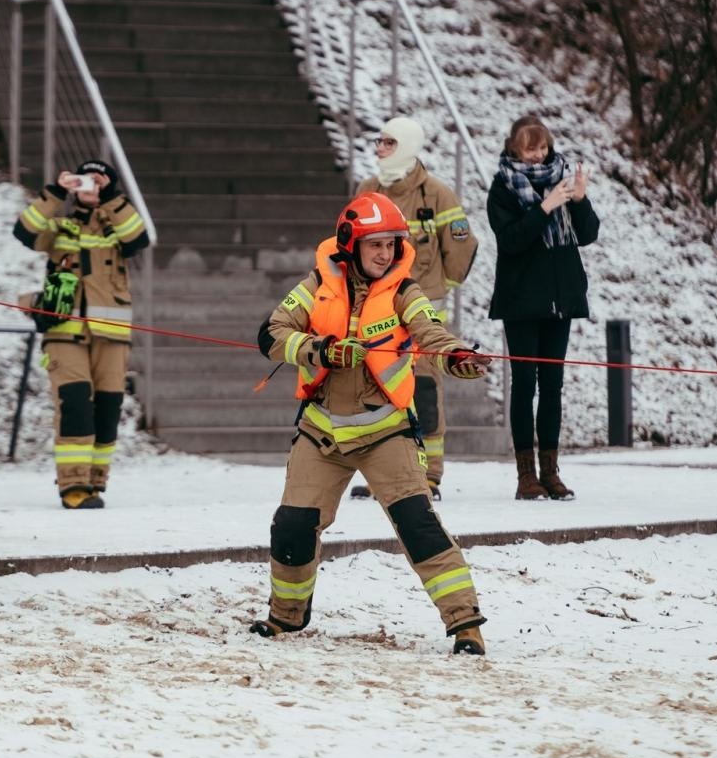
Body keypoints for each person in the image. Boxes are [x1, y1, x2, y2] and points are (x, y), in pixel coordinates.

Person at [253, 193, 492, 655]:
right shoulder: (317, 284)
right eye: (375, 245)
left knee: (418, 525)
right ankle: (285, 616)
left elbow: (432, 336)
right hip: (322, 433)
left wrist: (457, 358)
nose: (386, 253)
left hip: (387, 432)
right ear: (350, 245)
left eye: (392, 244)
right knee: (291, 527)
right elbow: (271, 334)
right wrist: (320, 349)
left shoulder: (407, 291)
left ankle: (466, 624)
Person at [350, 116, 478, 499]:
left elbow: (461, 249)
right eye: (379, 141)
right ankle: (382, 474)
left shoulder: (436, 195)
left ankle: (428, 474)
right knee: (375, 392)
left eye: (388, 143)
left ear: (406, 145)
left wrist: (436, 290)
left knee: (422, 392)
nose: (379, 149)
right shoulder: (367, 191)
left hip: (424, 320)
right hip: (376, 317)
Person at [13, 160, 149, 508]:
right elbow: (25, 231)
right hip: (64, 332)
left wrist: (110, 196)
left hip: (112, 333)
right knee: (74, 404)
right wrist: (57, 192)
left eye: (98, 180)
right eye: (85, 180)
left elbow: (138, 238)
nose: (90, 186)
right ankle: (73, 485)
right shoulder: (60, 225)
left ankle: (95, 482)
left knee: (107, 408)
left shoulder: (117, 223)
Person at [486, 114, 598, 501]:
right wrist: (543, 208)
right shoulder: (503, 187)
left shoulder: (562, 183)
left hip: (560, 299)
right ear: (514, 148)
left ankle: (551, 472)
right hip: (521, 300)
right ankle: (525, 475)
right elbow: (512, 240)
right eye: (531, 149)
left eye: (543, 148)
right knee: (524, 385)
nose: (538, 156)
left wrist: (579, 200)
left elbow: (588, 234)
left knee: (553, 386)